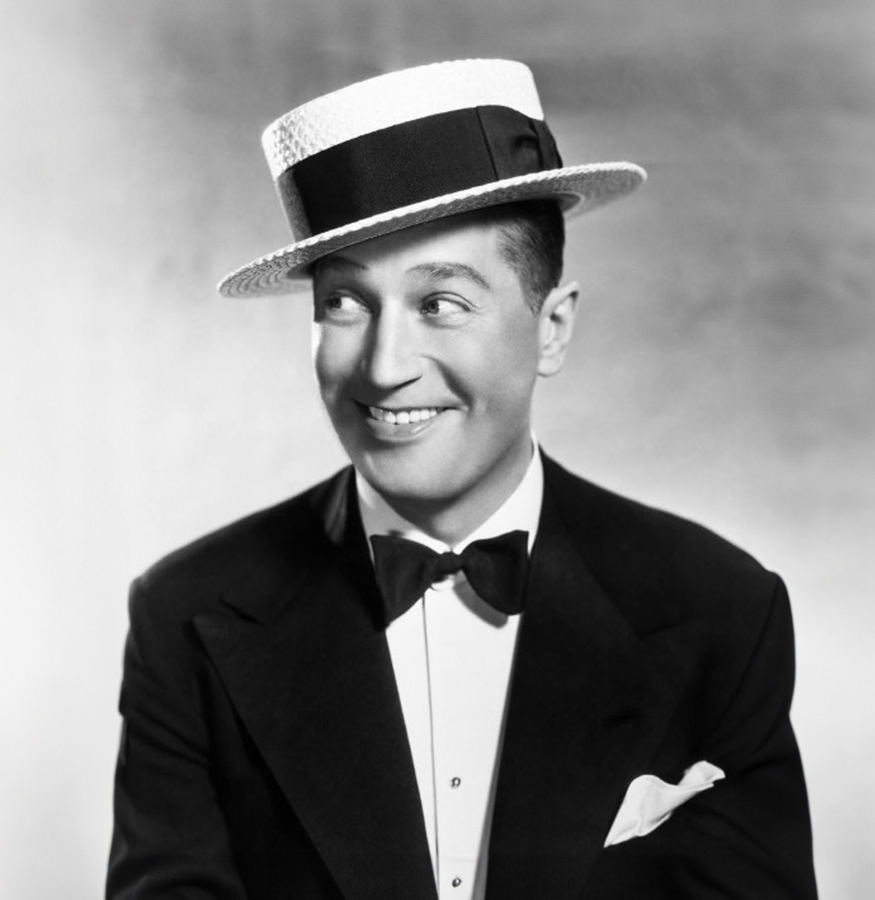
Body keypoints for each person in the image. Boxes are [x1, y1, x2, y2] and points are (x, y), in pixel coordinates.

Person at [107, 59, 818, 900]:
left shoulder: (719, 609)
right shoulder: (187, 612)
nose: (384, 366)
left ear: (552, 329)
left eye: (440, 303)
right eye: (343, 302)